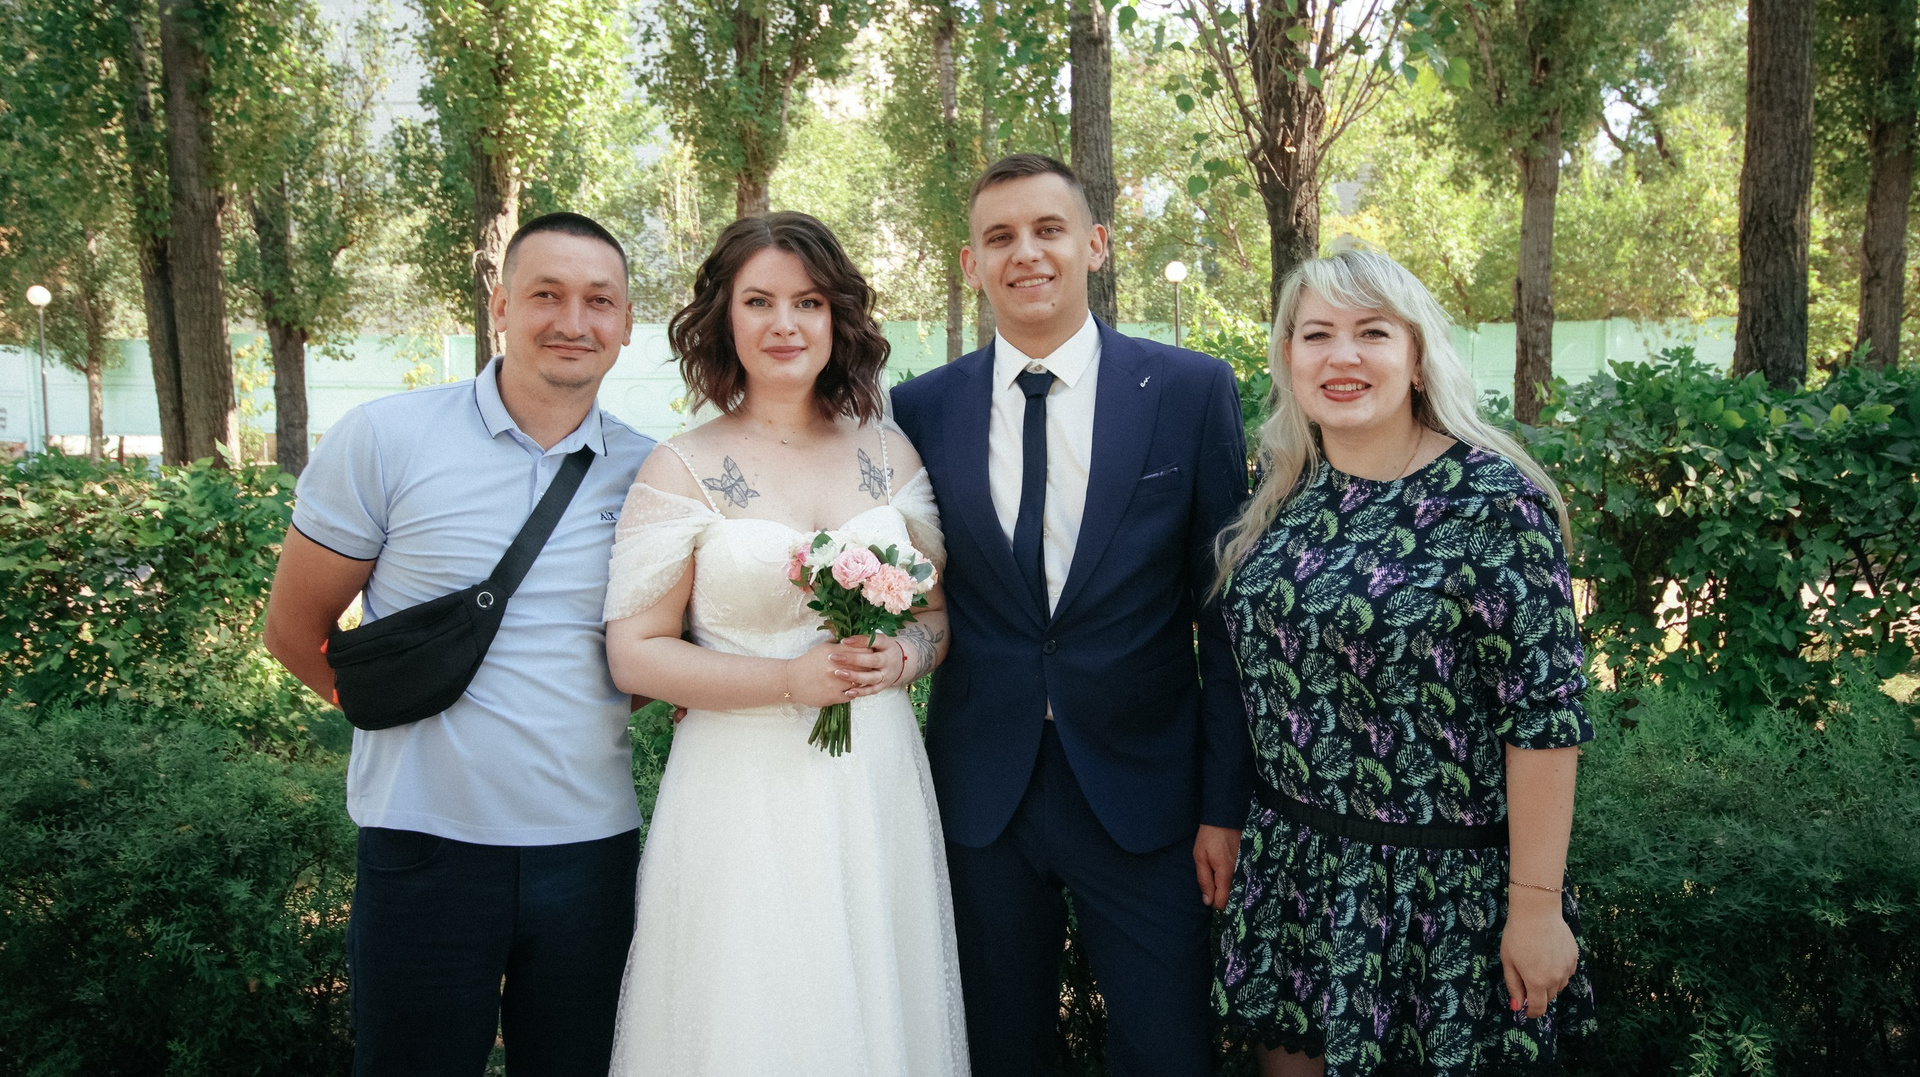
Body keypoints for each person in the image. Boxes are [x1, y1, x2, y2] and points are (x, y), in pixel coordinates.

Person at [261, 213, 655, 1075]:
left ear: (627, 323)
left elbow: (653, 653)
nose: (573, 320)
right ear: (499, 307)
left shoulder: (651, 472)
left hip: (589, 850)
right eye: (546, 294)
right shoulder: (386, 437)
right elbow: (292, 632)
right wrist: (402, 708)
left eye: (599, 301)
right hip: (422, 843)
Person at [889, 153, 1254, 1077]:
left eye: (1048, 230)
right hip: (982, 793)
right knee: (996, 1050)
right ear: (971, 264)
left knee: (1167, 1052)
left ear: (1095, 244)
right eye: (1000, 237)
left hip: (1148, 795)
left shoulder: (1190, 390)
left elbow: (1226, 623)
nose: (1027, 253)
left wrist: (1225, 806)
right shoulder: (920, 409)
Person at [1209, 244, 1597, 1076]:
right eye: (1317, 334)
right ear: (1288, 358)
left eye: (1372, 333)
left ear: (1417, 358)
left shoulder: (1493, 502)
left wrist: (1536, 907)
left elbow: (1545, 718)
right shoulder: (1284, 492)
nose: (1341, 356)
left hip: (1439, 897)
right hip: (1299, 878)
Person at [600, 211, 968, 1076]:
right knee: (752, 1013)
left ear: (836, 316)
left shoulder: (889, 453)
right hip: (740, 788)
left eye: (807, 302)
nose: (785, 323)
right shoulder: (680, 467)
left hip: (872, 777)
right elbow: (635, 653)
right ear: (723, 318)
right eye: (758, 301)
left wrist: (905, 657)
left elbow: (936, 612)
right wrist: (788, 679)